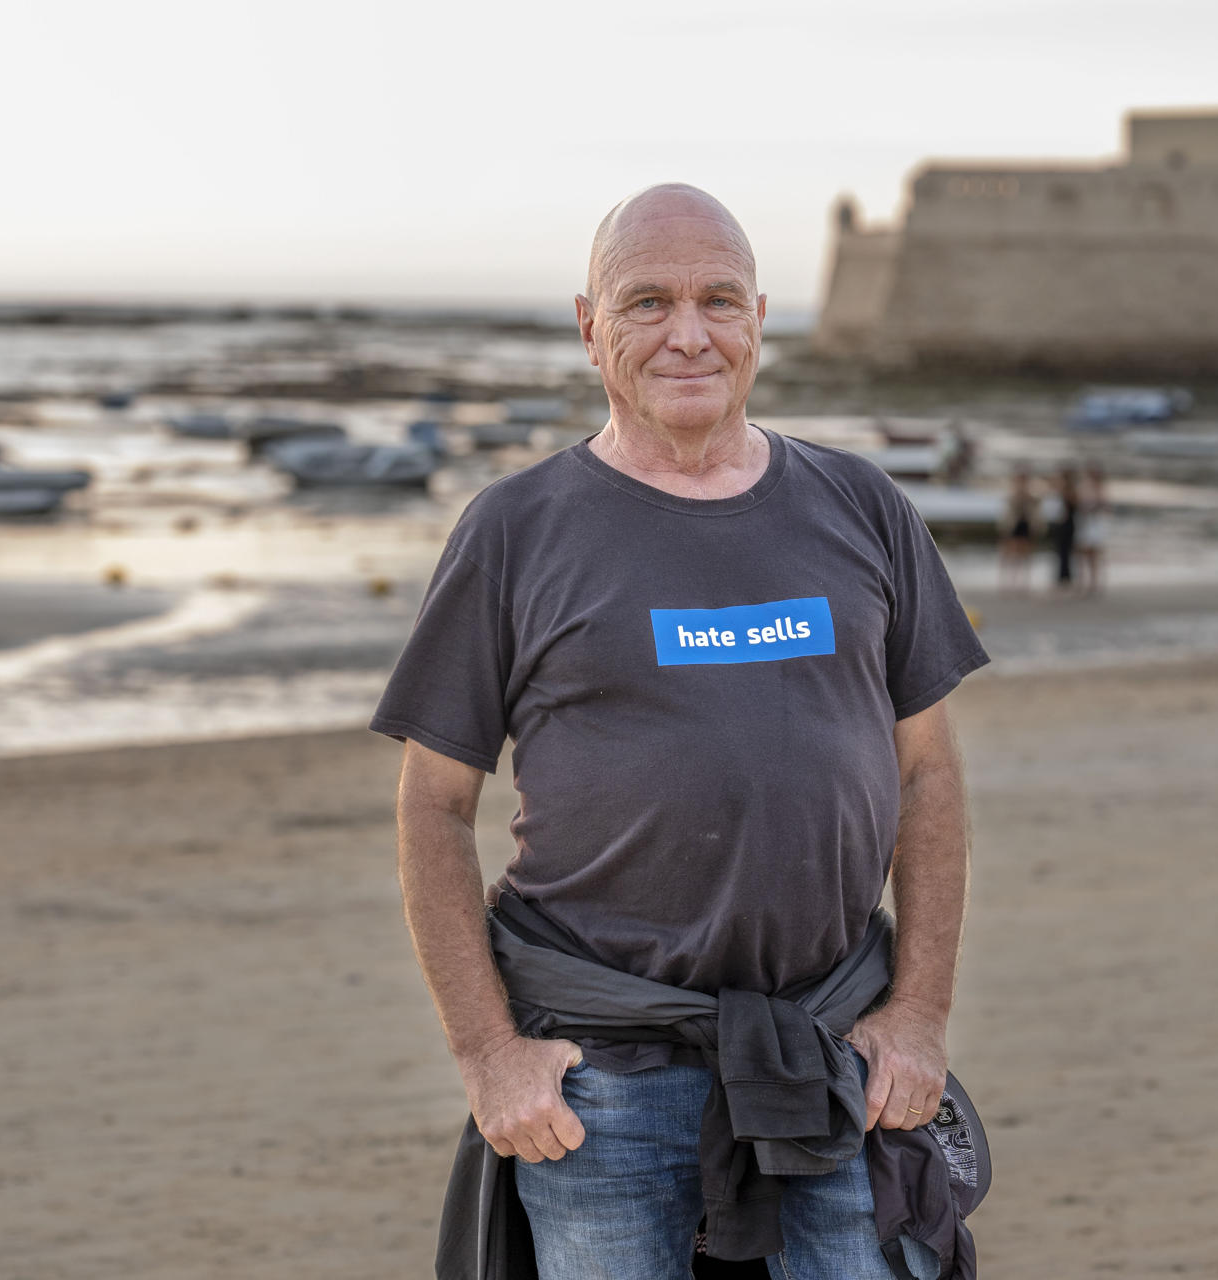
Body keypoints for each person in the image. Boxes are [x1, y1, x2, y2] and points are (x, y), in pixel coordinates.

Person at [372, 184, 988, 1279]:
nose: (687, 333)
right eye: (647, 302)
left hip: (834, 1046)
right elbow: (433, 802)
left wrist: (920, 1014)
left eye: (717, 300)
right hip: (598, 1076)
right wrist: (487, 1054)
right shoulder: (516, 530)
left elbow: (929, 776)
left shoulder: (863, 506)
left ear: (759, 315)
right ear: (589, 324)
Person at [996, 466, 1043, 594]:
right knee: (1009, 554)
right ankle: (1008, 582)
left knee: (1025, 554)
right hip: (1014, 524)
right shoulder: (1012, 491)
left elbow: (1037, 504)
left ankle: (1022, 583)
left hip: (1025, 524)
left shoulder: (1033, 492)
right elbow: (1008, 506)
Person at [1076, 462, 1108, 596]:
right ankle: (1084, 582)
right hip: (1086, 522)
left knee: (1094, 555)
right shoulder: (1084, 487)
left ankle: (1094, 583)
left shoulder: (1101, 488)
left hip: (1095, 523)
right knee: (1083, 554)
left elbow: (1105, 507)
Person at [1048, 465, 1080, 592]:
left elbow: (1071, 507)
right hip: (1063, 525)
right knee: (1062, 553)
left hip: (1067, 525)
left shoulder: (1069, 492)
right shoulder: (1064, 491)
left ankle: (1065, 579)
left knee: (1065, 553)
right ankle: (1063, 578)